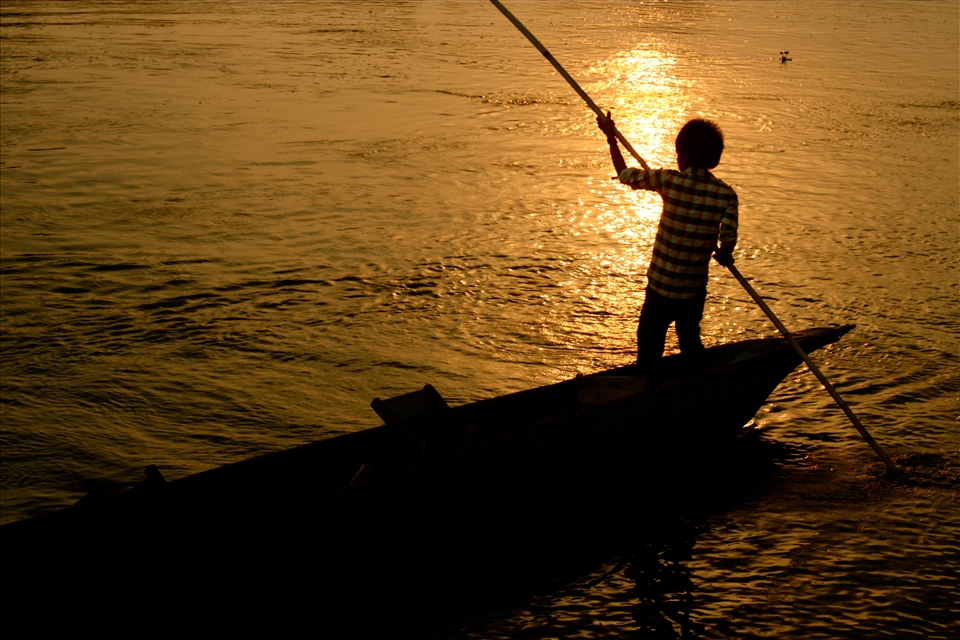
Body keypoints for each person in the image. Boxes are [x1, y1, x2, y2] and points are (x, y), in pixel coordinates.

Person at [597, 113, 738, 376]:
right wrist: (724, 254)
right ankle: (696, 381)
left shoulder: (668, 180)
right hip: (693, 290)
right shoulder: (726, 195)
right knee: (689, 339)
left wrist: (611, 138)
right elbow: (728, 240)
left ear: (683, 155)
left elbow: (624, 174)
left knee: (650, 345)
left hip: (660, 289)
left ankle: (649, 388)